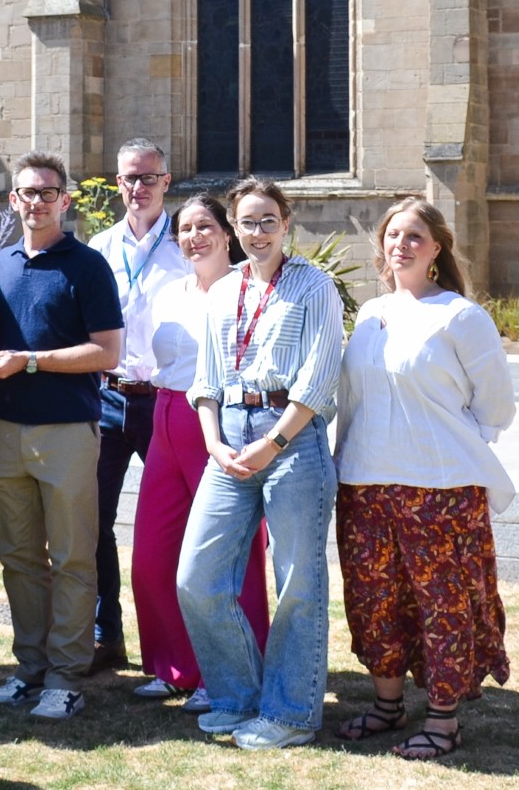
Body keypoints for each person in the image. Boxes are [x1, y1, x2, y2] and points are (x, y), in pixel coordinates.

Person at [333, 196, 516, 761]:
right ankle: (387, 703)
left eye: (415, 236)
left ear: (437, 249)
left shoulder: (460, 316)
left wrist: (447, 447)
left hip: (438, 490)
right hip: (364, 482)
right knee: (374, 598)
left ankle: (442, 718)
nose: (401, 245)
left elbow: (497, 407)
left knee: (443, 603)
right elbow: (354, 398)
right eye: (393, 235)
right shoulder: (368, 315)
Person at [177, 176, 343, 750]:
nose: (258, 232)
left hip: (292, 441)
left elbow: (319, 380)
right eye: (247, 222)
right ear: (233, 228)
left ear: (287, 223)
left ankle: (292, 715)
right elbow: (205, 382)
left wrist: (271, 443)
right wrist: (214, 443)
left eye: (268, 220)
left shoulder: (314, 286)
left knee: (297, 582)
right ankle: (238, 696)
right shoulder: (223, 290)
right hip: (228, 441)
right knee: (196, 578)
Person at [0, 151, 122, 721]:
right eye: (27, 192)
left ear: (65, 199)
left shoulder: (86, 265)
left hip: (66, 429)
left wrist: (26, 361)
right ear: (13, 200)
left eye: (47, 192)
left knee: (74, 558)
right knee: (18, 558)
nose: (37, 201)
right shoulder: (0, 264)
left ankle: (66, 675)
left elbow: (107, 352)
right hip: (5, 427)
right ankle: (29, 670)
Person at [131, 194, 269, 713]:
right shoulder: (167, 291)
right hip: (166, 417)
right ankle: (175, 668)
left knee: (231, 557)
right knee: (152, 555)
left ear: (227, 233)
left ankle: (232, 670)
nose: (195, 237)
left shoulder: (248, 289)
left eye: (206, 226)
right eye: (185, 229)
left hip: (222, 420)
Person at [82, 138, 191, 674]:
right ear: (117, 182)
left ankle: (183, 638)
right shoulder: (98, 248)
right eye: (129, 178)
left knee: (176, 526)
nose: (138, 188)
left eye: (149, 178)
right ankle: (107, 634)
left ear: (166, 182)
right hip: (106, 397)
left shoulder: (189, 248)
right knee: (94, 521)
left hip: (165, 403)